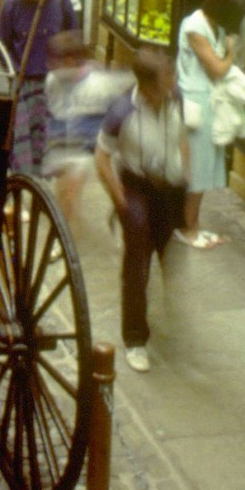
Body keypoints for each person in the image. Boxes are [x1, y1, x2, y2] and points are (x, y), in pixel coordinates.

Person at [95, 48, 187, 373]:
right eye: (167, 79)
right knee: (137, 264)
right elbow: (101, 157)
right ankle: (135, 338)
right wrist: (120, 199)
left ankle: (173, 316)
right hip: (137, 186)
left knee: (168, 249)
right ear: (148, 86)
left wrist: (185, 174)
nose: (173, 83)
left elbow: (183, 137)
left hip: (170, 188)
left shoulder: (176, 99)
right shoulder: (123, 111)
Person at [176, 0, 245, 250]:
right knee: (197, 170)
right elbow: (217, 69)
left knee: (201, 170)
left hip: (206, 102)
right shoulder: (196, 27)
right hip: (197, 105)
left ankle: (192, 224)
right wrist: (231, 52)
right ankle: (188, 229)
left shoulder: (211, 25)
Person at [0, 0, 79, 172]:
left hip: (52, 85)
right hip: (22, 84)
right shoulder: (12, 5)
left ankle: (41, 196)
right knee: (22, 145)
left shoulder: (61, 2)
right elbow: (1, 46)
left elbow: (72, 40)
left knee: (48, 146)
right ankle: (23, 188)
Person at [41, 29, 130, 224]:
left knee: (70, 189)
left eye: (56, 61)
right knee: (63, 192)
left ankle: (63, 236)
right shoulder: (52, 80)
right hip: (62, 144)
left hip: (88, 147)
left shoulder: (99, 83)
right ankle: (64, 226)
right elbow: (53, 114)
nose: (50, 65)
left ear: (70, 60)